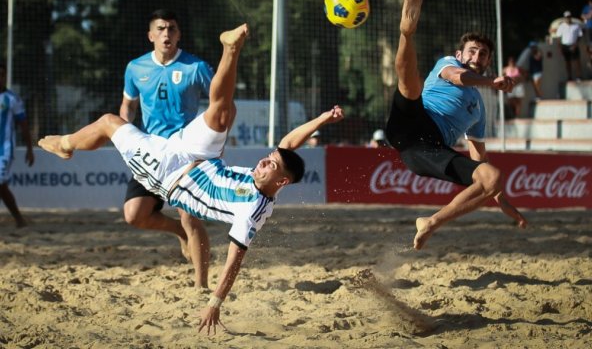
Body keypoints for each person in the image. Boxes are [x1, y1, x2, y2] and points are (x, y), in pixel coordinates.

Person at [39, 24, 345, 334]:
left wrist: (215, 302)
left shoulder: (252, 210)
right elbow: (288, 145)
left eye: (271, 166)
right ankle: (231, 47)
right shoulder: (269, 172)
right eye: (269, 158)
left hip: (167, 174)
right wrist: (322, 119)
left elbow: (234, 260)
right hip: (199, 154)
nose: (265, 160)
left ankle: (66, 145)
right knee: (224, 111)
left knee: (108, 122)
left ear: (280, 183)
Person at [385, 0, 527, 251]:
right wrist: (490, 82)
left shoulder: (479, 110)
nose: (478, 55)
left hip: (426, 151)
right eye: (472, 51)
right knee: (410, 84)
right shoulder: (448, 63)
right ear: (461, 54)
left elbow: (479, 160)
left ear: (488, 61)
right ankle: (407, 33)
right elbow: (458, 77)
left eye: (483, 54)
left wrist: (506, 205)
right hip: (414, 120)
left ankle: (430, 223)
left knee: (491, 175)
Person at [120, 9, 218, 288]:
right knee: (134, 215)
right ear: (151, 35)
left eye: (172, 29)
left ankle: (201, 287)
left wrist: (215, 138)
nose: (167, 33)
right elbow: (128, 106)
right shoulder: (135, 68)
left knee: (190, 218)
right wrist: (128, 139)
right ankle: (177, 230)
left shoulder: (195, 67)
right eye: (161, 29)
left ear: (179, 35)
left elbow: (219, 103)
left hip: (187, 153)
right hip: (151, 150)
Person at [0, 64, 34, 228]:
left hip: (4, 150)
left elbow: (24, 125)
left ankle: (19, 219)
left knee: (0, 183)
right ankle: (19, 220)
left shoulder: (12, 99)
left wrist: (29, 149)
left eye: (2, 75)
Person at [555, 10, 583, 82]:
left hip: (574, 45)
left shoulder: (576, 26)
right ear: (564, 18)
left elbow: (580, 36)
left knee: (577, 62)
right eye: (566, 17)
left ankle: (578, 77)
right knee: (568, 62)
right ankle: (569, 77)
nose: (568, 18)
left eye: (569, 17)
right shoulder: (561, 26)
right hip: (565, 46)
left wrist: (575, 44)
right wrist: (560, 47)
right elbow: (558, 37)